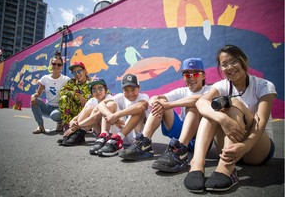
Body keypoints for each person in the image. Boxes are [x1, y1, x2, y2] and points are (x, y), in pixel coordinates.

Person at [184, 45, 277, 193]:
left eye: (233, 61)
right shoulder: (221, 85)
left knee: (233, 103)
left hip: (256, 147)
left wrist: (246, 146)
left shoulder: (264, 85)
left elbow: (261, 122)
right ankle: (196, 164)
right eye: (224, 64)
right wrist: (223, 119)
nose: (229, 67)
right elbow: (200, 102)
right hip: (228, 148)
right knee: (211, 109)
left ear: (243, 61)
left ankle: (226, 169)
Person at [119, 58, 211, 173]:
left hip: (201, 138)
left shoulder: (211, 90)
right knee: (160, 104)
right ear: (183, 77)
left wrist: (168, 104)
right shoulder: (182, 91)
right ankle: (144, 143)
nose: (191, 77)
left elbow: (198, 99)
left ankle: (180, 152)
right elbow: (156, 97)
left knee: (193, 107)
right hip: (182, 133)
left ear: (203, 76)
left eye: (196, 74)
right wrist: (156, 102)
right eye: (187, 75)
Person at [89, 73, 150, 157]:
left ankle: (119, 139)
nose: (130, 93)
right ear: (122, 90)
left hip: (136, 137)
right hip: (120, 130)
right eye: (126, 90)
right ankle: (104, 136)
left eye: (133, 89)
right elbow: (100, 105)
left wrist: (116, 115)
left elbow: (140, 106)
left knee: (139, 109)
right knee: (110, 105)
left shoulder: (144, 96)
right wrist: (110, 115)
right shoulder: (120, 97)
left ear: (139, 87)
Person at [59, 78, 113, 146]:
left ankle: (80, 132)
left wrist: (75, 128)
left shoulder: (109, 99)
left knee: (95, 111)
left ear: (106, 89)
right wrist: (72, 121)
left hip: (110, 131)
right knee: (88, 109)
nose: (97, 91)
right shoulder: (92, 100)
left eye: (100, 88)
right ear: (91, 92)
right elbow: (80, 114)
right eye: (94, 90)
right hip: (99, 131)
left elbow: (96, 117)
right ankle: (78, 134)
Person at [31, 51, 70, 134]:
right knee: (33, 101)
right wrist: (34, 96)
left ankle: (60, 123)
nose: (56, 66)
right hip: (47, 107)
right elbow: (38, 93)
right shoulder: (45, 78)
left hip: (58, 109)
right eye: (54, 64)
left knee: (54, 115)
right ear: (51, 65)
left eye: (59, 64)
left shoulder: (66, 79)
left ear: (62, 66)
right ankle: (40, 126)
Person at [59, 61, 94, 131]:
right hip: (76, 110)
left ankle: (89, 124)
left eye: (79, 71)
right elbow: (62, 92)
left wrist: (89, 102)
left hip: (90, 112)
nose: (77, 74)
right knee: (63, 98)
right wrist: (77, 95)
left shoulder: (94, 82)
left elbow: (106, 94)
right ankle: (68, 126)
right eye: (74, 72)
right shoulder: (72, 82)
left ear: (84, 71)